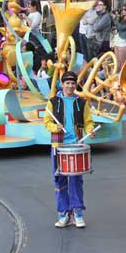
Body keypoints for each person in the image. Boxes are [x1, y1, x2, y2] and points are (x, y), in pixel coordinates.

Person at [43, 73, 95, 229]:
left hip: (76, 146)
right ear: (62, 84)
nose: (71, 86)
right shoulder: (53, 102)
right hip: (58, 147)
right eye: (67, 83)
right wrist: (55, 127)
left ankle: (78, 212)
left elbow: (88, 122)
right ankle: (63, 213)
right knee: (59, 181)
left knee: (76, 181)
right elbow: (47, 122)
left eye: (73, 83)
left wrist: (90, 130)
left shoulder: (81, 102)